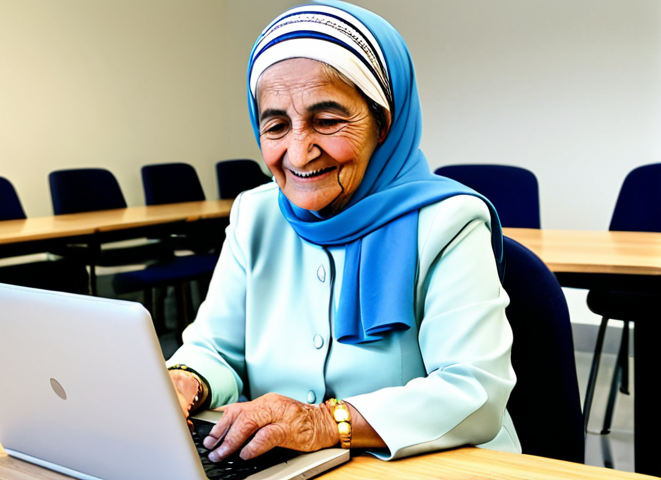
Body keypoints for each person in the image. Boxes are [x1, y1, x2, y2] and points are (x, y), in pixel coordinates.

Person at [168, 0, 521, 462]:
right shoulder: (256, 215)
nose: (298, 153)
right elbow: (217, 348)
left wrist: (325, 423)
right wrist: (186, 378)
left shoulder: (447, 221)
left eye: (327, 121)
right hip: (288, 466)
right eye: (276, 125)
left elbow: (474, 393)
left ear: (384, 122)